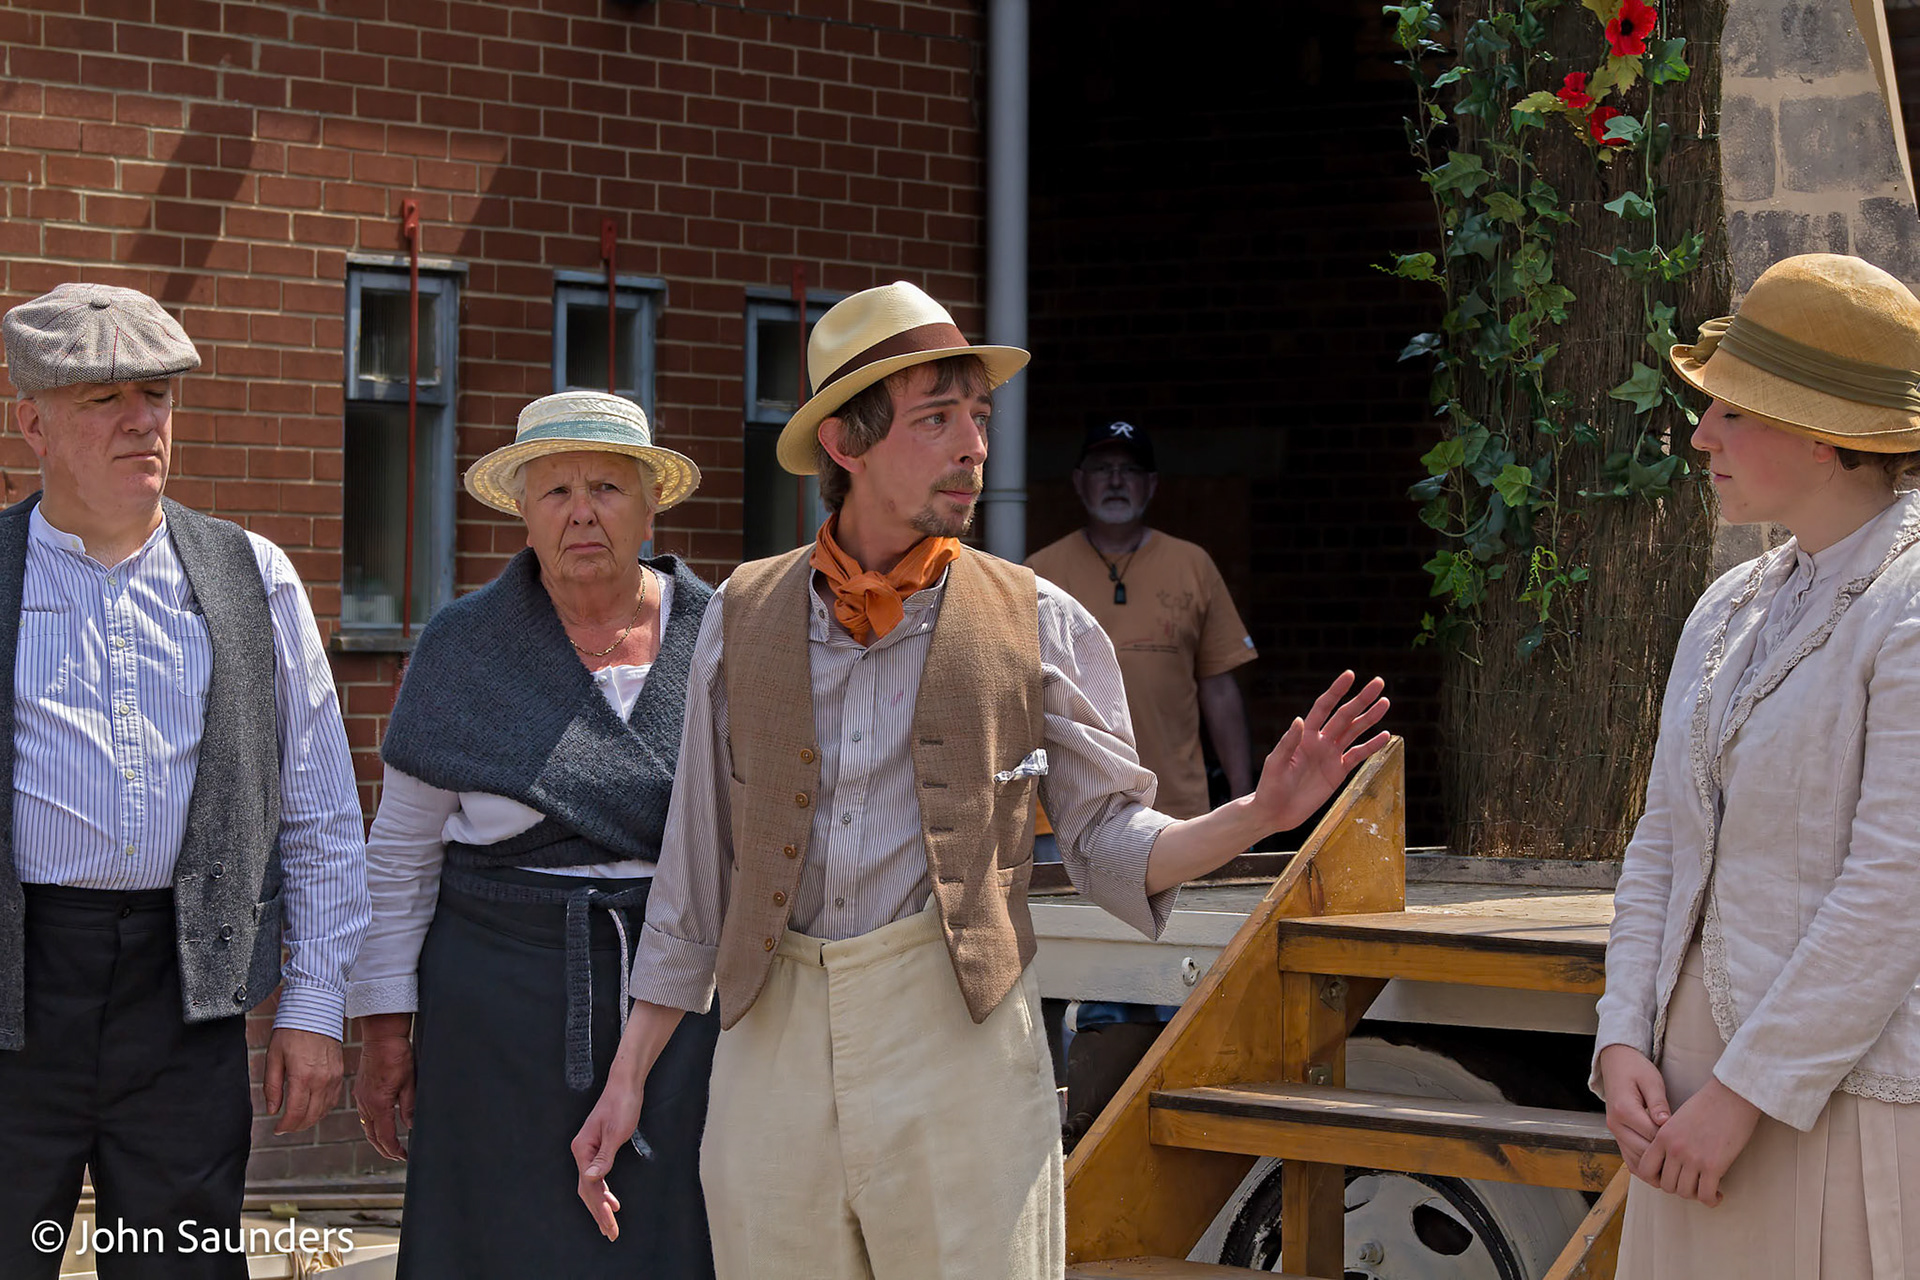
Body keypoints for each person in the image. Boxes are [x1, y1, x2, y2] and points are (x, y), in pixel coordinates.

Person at [570, 280, 1390, 1279]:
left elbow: (1106, 842)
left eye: (979, 416)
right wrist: (627, 1081)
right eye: (935, 419)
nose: (973, 445)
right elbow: (696, 881)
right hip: (770, 1034)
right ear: (845, 442)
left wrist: (1259, 812)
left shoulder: (1036, 616)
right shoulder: (743, 614)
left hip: (954, 1027)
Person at [0, 283, 369, 1278]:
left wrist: (313, 1004)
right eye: (102, 398)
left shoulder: (254, 574)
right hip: (15, 979)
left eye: (156, 393)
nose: (142, 420)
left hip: (187, 991)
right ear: (30, 420)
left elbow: (325, 812)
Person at [1594, 253, 1920, 1277]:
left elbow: (1897, 885)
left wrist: (1744, 1097)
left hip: (1828, 1094)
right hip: (1677, 1101)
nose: (1702, 435)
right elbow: (1659, 840)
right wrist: (1619, 1044)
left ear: (1824, 435)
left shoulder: (1908, 604)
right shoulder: (1728, 604)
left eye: (1734, 411)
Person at [348, 391, 719, 1279]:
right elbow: (401, 857)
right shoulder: (461, 646)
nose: (581, 512)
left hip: (673, 992)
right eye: (554, 492)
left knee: (670, 1238)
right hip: (493, 1000)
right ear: (522, 510)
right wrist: (386, 1027)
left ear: (649, 503)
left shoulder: (720, 635)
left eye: (606, 486)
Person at [1028, 419, 1257, 820]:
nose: (1116, 481)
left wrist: (1244, 801)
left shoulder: (1193, 564)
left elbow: (1219, 689)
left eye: (1130, 470)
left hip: (1179, 805)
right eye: (1102, 469)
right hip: (1076, 806)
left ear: (1151, 485)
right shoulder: (1039, 572)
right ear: (1079, 482)